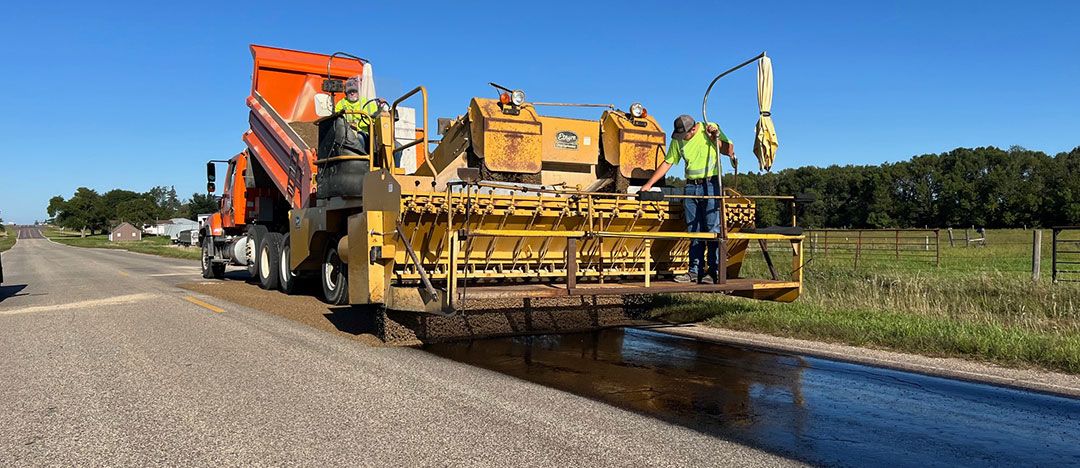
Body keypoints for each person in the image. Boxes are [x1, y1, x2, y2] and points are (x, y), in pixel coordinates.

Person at [640, 114, 735, 283]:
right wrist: (649, 185)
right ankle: (694, 271)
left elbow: (729, 151)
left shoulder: (710, 129)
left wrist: (715, 138)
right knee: (694, 229)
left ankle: (714, 272)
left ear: (693, 129)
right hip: (691, 187)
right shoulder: (678, 140)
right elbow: (668, 162)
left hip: (711, 184)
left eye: (685, 135)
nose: (682, 138)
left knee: (712, 229)